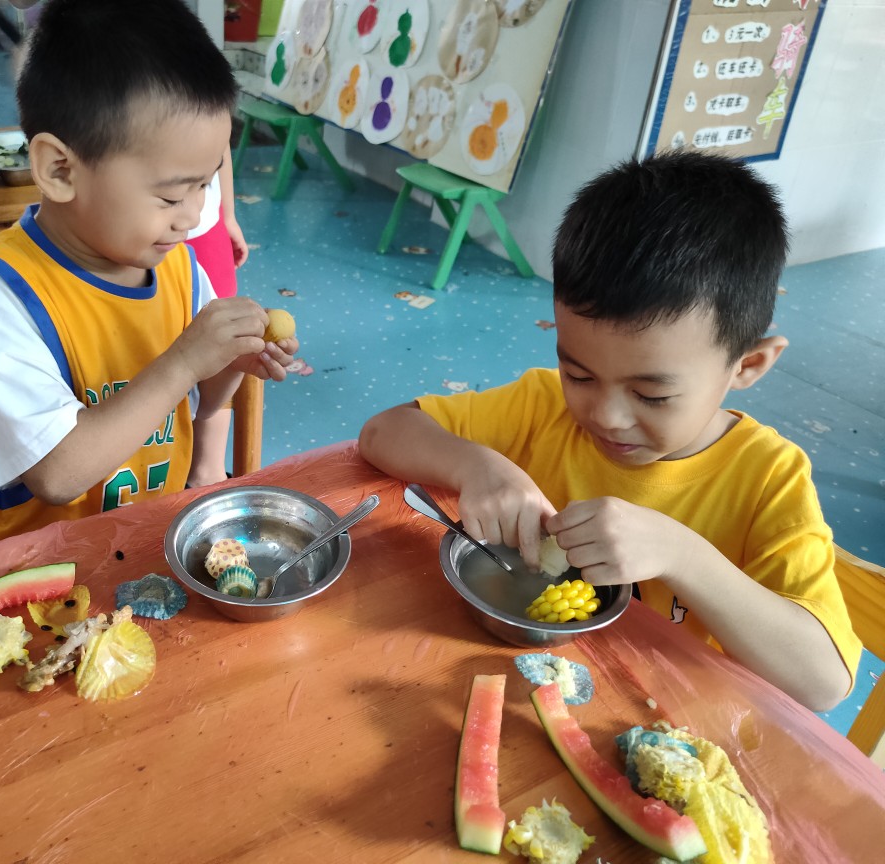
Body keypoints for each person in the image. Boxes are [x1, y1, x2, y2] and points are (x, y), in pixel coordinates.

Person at [358, 151, 861, 712]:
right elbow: (382, 432)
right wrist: (474, 465)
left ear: (748, 365)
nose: (606, 416)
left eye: (651, 395)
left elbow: (823, 683)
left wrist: (682, 554)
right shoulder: (542, 406)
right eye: (579, 374)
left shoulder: (767, 477)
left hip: (662, 714)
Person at [0, 0, 299, 553]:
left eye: (205, 186)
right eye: (172, 196)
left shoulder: (177, 265)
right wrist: (185, 361)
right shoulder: (0, 291)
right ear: (60, 169)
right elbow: (57, 473)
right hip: (25, 566)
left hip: (137, 549)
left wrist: (228, 364)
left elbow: (201, 401)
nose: (192, 216)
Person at [185, 145, 252, 487]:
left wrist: (227, 216)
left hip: (207, 232)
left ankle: (206, 469)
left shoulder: (196, 212)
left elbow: (220, 143)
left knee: (222, 344)